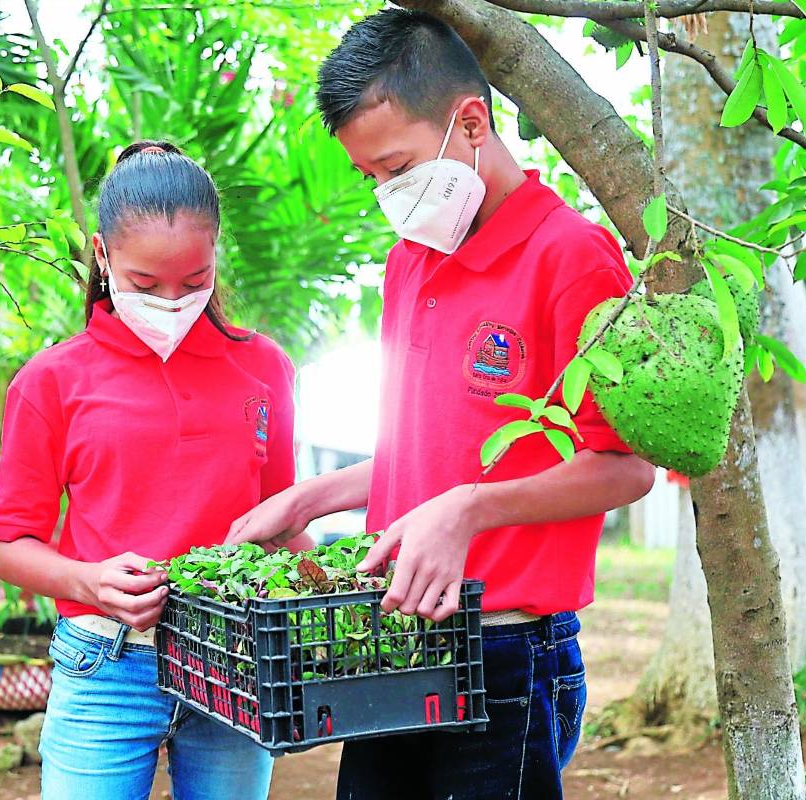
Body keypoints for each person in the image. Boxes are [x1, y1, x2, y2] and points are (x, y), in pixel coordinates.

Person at [226, 10, 656, 799]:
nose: (387, 193)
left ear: (470, 122)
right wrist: (312, 497)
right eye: (371, 178)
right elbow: (431, 449)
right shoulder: (409, 263)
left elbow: (624, 469)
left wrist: (467, 511)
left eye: (396, 167)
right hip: (397, 637)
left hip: (507, 650)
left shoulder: (572, 257)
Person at [0, 141, 308, 800]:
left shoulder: (264, 368)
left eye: (194, 281)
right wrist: (89, 579)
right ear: (102, 257)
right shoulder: (49, 382)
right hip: (104, 661)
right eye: (144, 283)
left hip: (237, 659)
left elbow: (281, 522)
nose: (172, 300)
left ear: (217, 254)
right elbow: (9, 546)